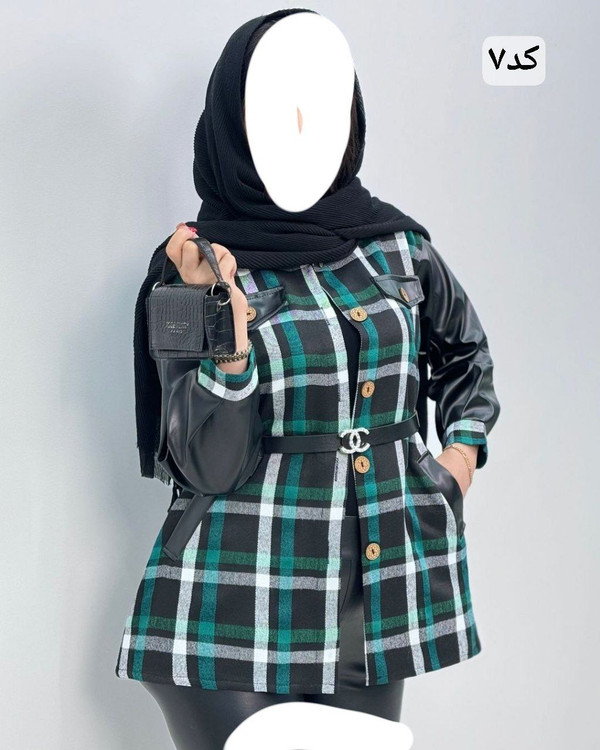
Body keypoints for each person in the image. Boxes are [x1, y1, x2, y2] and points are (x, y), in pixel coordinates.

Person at [114, 8, 501, 750]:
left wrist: (458, 460)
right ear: (233, 121)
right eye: (275, 104)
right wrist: (226, 332)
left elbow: (466, 354)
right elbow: (206, 464)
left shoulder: (398, 247)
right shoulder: (191, 269)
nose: (300, 121)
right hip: (231, 600)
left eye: (321, 99)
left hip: (369, 604)